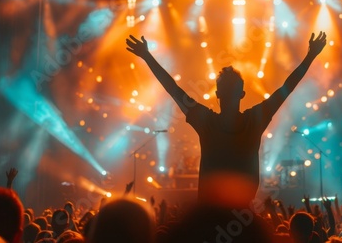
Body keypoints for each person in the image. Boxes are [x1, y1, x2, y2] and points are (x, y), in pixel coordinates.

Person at [126, 31, 327, 207]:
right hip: (241, 217)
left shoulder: (206, 121)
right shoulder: (254, 119)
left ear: (218, 94)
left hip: (209, 218)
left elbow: (173, 89)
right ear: (242, 94)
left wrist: (147, 56)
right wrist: (310, 56)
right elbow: (286, 87)